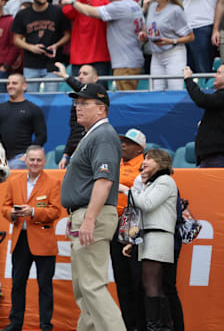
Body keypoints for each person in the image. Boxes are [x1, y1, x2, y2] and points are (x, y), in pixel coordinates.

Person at [61, 83, 126, 331]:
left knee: (92, 286)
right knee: (83, 289)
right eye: (77, 102)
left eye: (84, 103)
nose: (78, 107)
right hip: (86, 214)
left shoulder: (104, 136)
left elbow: (104, 180)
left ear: (101, 108)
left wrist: (89, 219)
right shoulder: (93, 135)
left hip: (93, 215)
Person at [0, 145, 61, 331]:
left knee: (45, 286)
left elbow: (56, 211)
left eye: (38, 160)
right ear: (25, 160)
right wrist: (11, 213)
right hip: (21, 240)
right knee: (17, 284)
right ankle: (15, 323)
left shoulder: (53, 183)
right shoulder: (14, 181)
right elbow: (5, 206)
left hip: (43, 241)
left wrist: (33, 212)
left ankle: (45, 325)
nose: (35, 163)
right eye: (32, 159)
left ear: (44, 162)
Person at [121, 149, 178, 331]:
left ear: (161, 162)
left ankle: (155, 326)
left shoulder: (165, 181)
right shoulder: (152, 183)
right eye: (144, 158)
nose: (144, 162)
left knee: (151, 284)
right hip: (149, 237)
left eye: (150, 158)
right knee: (154, 284)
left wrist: (126, 190)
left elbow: (146, 204)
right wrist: (133, 242)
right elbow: (142, 209)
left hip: (158, 237)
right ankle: (161, 325)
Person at [59, 0, 145, 90]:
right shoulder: (133, 4)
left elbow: (90, 10)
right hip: (128, 59)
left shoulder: (116, 6)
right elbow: (67, 12)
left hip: (123, 62)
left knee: (122, 98)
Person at [113, 128, 147, 331]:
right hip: (114, 221)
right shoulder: (116, 163)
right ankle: (128, 324)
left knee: (137, 276)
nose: (123, 144)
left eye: (128, 142)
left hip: (134, 222)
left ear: (139, 149)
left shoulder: (144, 166)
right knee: (121, 276)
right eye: (122, 141)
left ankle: (142, 324)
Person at [12, 0, 71, 93]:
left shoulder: (57, 11)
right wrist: (31, 47)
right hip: (31, 63)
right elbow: (16, 39)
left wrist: (56, 45)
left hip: (53, 62)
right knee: (31, 97)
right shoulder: (23, 14)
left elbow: (68, 35)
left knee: (52, 97)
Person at [140, 0, 194, 91]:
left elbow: (190, 36)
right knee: (155, 90)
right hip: (156, 53)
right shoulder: (152, 7)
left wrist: (171, 41)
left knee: (175, 89)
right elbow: (150, 26)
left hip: (174, 53)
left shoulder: (176, 10)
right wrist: (145, 34)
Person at [60, 0, 111, 80]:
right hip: (78, 58)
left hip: (99, 57)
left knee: (99, 91)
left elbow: (100, 10)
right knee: (78, 92)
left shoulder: (106, 2)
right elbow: (67, 12)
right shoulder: (78, 3)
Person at [0, 74, 47, 169]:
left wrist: (28, 155)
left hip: (21, 158)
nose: (10, 86)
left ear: (24, 86)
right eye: (8, 83)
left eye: (14, 83)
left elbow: (41, 136)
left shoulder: (33, 109)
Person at [53, 63, 99, 169]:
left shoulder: (99, 93)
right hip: (78, 150)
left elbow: (85, 89)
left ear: (95, 78)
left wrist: (66, 76)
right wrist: (66, 155)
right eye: (79, 74)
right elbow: (74, 131)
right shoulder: (76, 100)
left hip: (94, 149)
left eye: (85, 74)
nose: (81, 76)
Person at [183, 65, 224, 167]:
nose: (215, 76)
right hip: (209, 157)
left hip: (217, 157)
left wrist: (188, 79)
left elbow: (202, 100)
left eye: (219, 73)